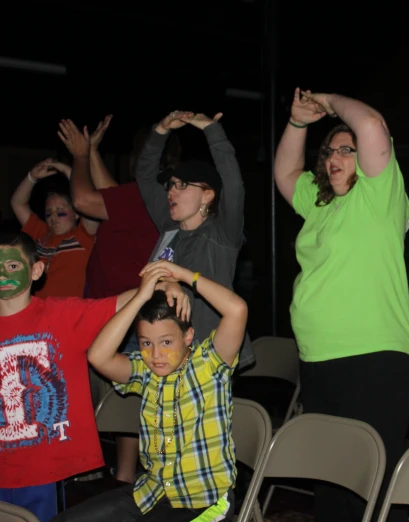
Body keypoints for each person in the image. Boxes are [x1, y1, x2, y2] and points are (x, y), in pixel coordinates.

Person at [273, 88, 409, 522]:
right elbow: (284, 173)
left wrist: (326, 101)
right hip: (318, 360)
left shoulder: (380, 196)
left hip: (374, 357)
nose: (334, 156)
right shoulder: (319, 205)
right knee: (333, 483)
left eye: (346, 149)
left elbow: (371, 125)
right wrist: (298, 122)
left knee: (370, 482)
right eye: (329, 150)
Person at [0, 231, 188, 521]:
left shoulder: (62, 315)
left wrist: (164, 283)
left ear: (36, 270)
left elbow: (120, 302)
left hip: (43, 467)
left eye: (12, 265)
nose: (3, 273)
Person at [51, 259, 247, 521]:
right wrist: (142, 296)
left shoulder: (209, 365)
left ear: (188, 337)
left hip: (203, 501)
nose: (156, 354)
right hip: (153, 492)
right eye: (146, 343)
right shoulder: (146, 371)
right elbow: (98, 356)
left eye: (166, 342)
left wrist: (183, 275)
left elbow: (237, 309)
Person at [64, 115, 166, 483]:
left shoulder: (149, 195)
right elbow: (109, 194)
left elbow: (84, 199)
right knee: (125, 398)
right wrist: (92, 151)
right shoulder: (146, 197)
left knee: (120, 399)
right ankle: (123, 475)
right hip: (120, 308)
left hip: (123, 311)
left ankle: (114, 474)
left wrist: (78, 156)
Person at [135, 110, 254, 371]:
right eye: (171, 185)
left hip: (206, 355)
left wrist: (212, 131)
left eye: (183, 185)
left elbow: (233, 184)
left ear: (207, 195)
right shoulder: (170, 227)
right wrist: (161, 130)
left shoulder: (222, 234)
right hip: (160, 351)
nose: (172, 191)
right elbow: (144, 176)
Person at [10, 146, 99, 297]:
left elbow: (87, 199)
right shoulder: (40, 232)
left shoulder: (84, 236)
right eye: (48, 213)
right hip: (37, 312)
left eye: (60, 212)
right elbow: (17, 203)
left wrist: (67, 171)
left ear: (76, 213)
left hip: (69, 315)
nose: (53, 218)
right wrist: (32, 177)